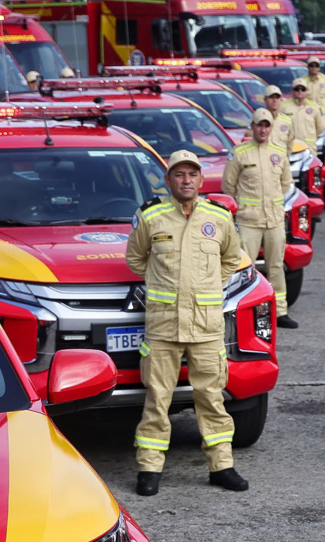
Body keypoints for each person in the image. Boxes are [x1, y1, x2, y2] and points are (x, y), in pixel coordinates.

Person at [126, 150, 248, 496]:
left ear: (200, 179)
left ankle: (221, 466)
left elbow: (231, 259)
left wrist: (207, 289)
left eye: (192, 174)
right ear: (168, 180)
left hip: (206, 326)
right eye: (178, 174)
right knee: (157, 399)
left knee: (211, 398)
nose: (186, 180)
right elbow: (136, 260)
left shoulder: (219, 217)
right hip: (163, 327)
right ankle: (149, 469)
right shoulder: (151, 217)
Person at [222, 109, 297, 329]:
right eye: (259, 125)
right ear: (252, 127)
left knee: (276, 266)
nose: (263, 130)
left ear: (271, 127)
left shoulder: (278, 152)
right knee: (246, 269)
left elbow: (285, 184)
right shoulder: (240, 153)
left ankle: (280, 312)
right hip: (248, 221)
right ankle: (246, 314)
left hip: (273, 221)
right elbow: (228, 186)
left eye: (266, 126)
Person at [281, 77, 325, 147]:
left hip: (309, 148)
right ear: (292, 90)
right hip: (291, 147)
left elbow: (320, 128)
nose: (300, 91)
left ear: (306, 91)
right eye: (297, 89)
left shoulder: (314, 108)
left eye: (303, 89)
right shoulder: (283, 107)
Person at [263, 84, 295, 153]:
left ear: (281, 99)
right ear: (265, 99)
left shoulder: (287, 121)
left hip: (281, 161)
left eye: (277, 97)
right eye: (271, 97)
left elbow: (290, 145)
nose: (274, 100)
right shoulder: (258, 120)